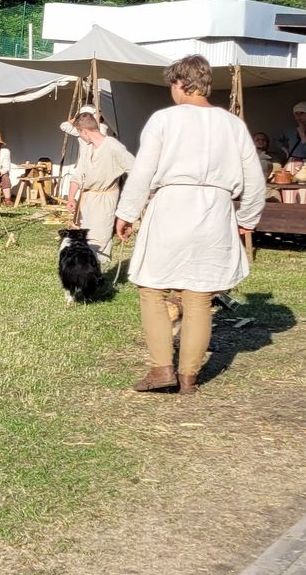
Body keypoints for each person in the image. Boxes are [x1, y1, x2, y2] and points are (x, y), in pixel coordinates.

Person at [114, 55, 265, 395]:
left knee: (152, 288)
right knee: (198, 297)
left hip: (172, 207)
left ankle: (162, 368)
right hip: (216, 211)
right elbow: (255, 179)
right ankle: (188, 378)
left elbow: (143, 171)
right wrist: (247, 219)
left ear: (180, 83)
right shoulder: (232, 124)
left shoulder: (165, 119)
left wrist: (126, 212)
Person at [65, 114, 135, 262]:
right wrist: (71, 197)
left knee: (100, 238)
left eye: (79, 133)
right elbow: (78, 176)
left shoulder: (114, 147)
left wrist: (131, 199)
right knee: (84, 237)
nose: (81, 137)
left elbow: (136, 170)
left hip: (105, 198)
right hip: (86, 199)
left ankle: (99, 272)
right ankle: (84, 268)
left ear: (85, 131)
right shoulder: (87, 148)